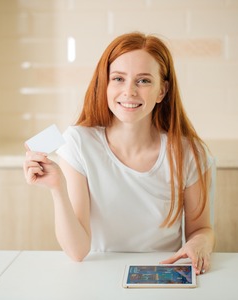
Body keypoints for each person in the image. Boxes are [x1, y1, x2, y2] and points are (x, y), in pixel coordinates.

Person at [23, 31, 215, 275]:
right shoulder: (79, 143)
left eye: (143, 80)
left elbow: (202, 230)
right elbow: (77, 252)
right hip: (99, 275)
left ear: (162, 91)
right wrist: (56, 188)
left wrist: (199, 243)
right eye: (118, 79)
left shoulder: (189, 152)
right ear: (105, 84)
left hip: (163, 278)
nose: (130, 91)